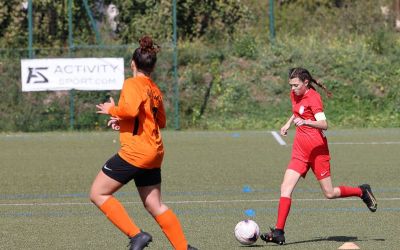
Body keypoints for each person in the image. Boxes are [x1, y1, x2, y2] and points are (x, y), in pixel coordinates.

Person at [90, 36, 197, 250]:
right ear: (153, 67)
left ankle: (136, 235)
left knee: (98, 193)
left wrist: (112, 110)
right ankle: (183, 248)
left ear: (133, 64)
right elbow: (159, 121)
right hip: (154, 152)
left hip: (136, 153)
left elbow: (130, 110)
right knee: (154, 205)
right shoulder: (154, 89)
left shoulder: (132, 83)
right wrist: (123, 123)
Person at [261, 67, 377, 245]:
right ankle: (279, 232)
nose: (292, 89)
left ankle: (361, 191)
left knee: (329, 193)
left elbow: (324, 124)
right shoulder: (295, 94)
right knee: (285, 188)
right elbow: (297, 111)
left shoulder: (314, 98)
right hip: (300, 150)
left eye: (296, 85)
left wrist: (306, 121)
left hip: (318, 151)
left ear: (306, 83)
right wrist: (287, 123)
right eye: (291, 85)